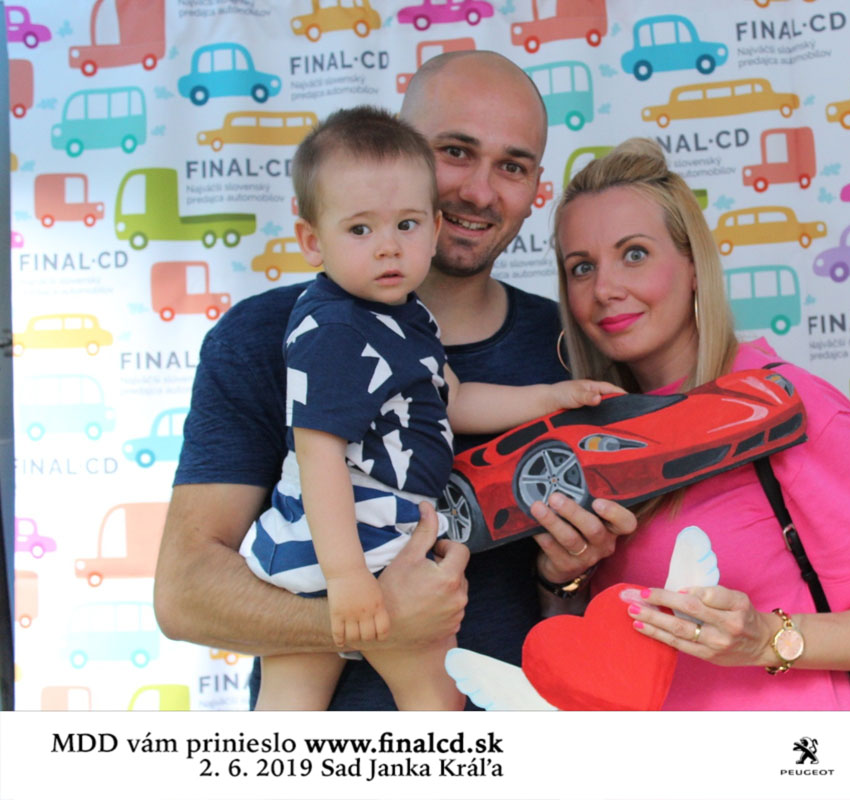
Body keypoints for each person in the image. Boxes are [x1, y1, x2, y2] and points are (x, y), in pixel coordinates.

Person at [154, 51, 635, 711]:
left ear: (535, 187)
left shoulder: (572, 347)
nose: (480, 192)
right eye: (456, 152)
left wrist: (566, 579)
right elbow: (184, 595)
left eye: (512, 166)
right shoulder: (270, 334)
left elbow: (598, 622)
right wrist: (372, 620)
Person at [551, 138, 850, 710]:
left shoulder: (784, 407)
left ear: (693, 266)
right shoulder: (588, 438)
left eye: (635, 254)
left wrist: (766, 638)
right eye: (582, 268)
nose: (605, 289)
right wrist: (562, 577)